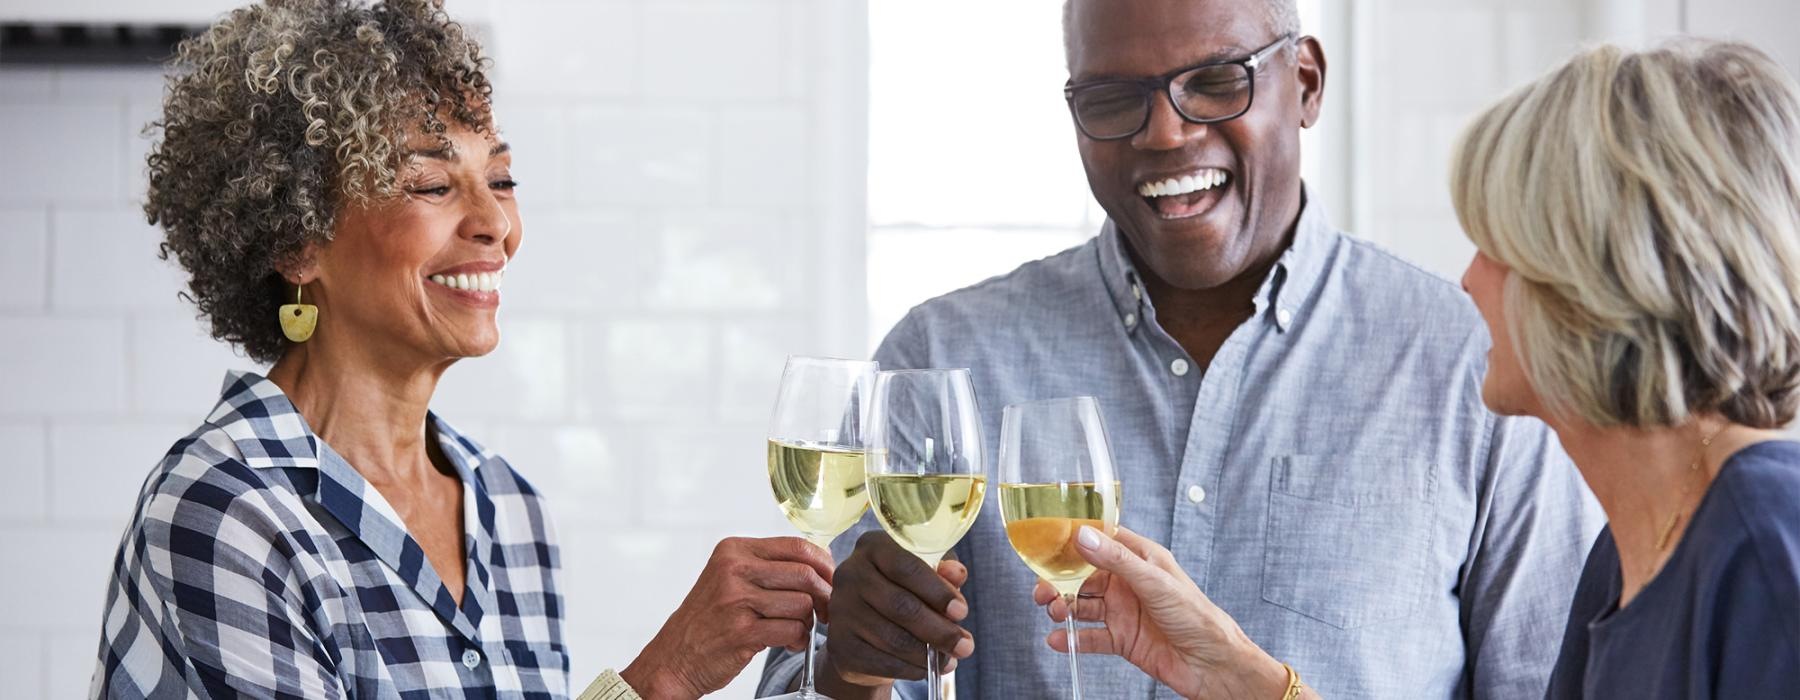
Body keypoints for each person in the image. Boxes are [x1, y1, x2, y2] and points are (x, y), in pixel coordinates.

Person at [762, 0, 1601, 697]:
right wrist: (850, 672)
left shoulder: (1476, 361)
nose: (1164, 134)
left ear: (1304, 83)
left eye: (1214, 82)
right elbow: (802, 685)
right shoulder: (946, 358)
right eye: (1112, 99)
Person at [90, 1, 831, 698]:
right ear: (296, 240)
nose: (495, 224)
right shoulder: (229, 513)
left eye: (500, 179)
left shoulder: (509, 512)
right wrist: (661, 679)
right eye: (433, 183)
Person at [1041, 38, 1800, 699]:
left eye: (1498, 248)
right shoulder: (1631, 556)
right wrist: (1250, 682)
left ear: (1600, 277)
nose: (1469, 282)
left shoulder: (1765, 540)